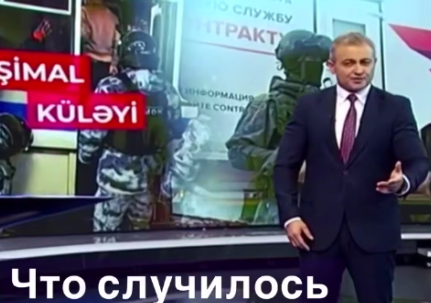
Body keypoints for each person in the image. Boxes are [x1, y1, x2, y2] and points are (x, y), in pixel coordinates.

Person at [273, 32, 429, 303]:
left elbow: (418, 160)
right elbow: (285, 165)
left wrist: (404, 182)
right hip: (317, 232)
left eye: (365, 62)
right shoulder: (310, 106)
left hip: (373, 230)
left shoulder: (395, 107)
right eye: (349, 63)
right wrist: (290, 216)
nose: (358, 70)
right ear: (332, 66)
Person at [78, 31, 208, 232]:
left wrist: (85, 157)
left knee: (104, 233)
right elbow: (173, 132)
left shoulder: (110, 87)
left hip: (114, 180)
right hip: (149, 179)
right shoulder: (167, 90)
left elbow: (92, 133)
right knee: (139, 233)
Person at [226, 30, 331, 225]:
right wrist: (288, 161)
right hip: (280, 209)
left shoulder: (325, 107)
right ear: (297, 64)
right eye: (314, 62)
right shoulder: (269, 104)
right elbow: (237, 152)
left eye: (321, 63)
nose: (319, 68)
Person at [81, 0, 120, 89]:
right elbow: (116, 41)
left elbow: (83, 34)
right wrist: (114, 63)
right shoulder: (111, 16)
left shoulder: (84, 11)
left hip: (90, 63)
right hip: (107, 65)